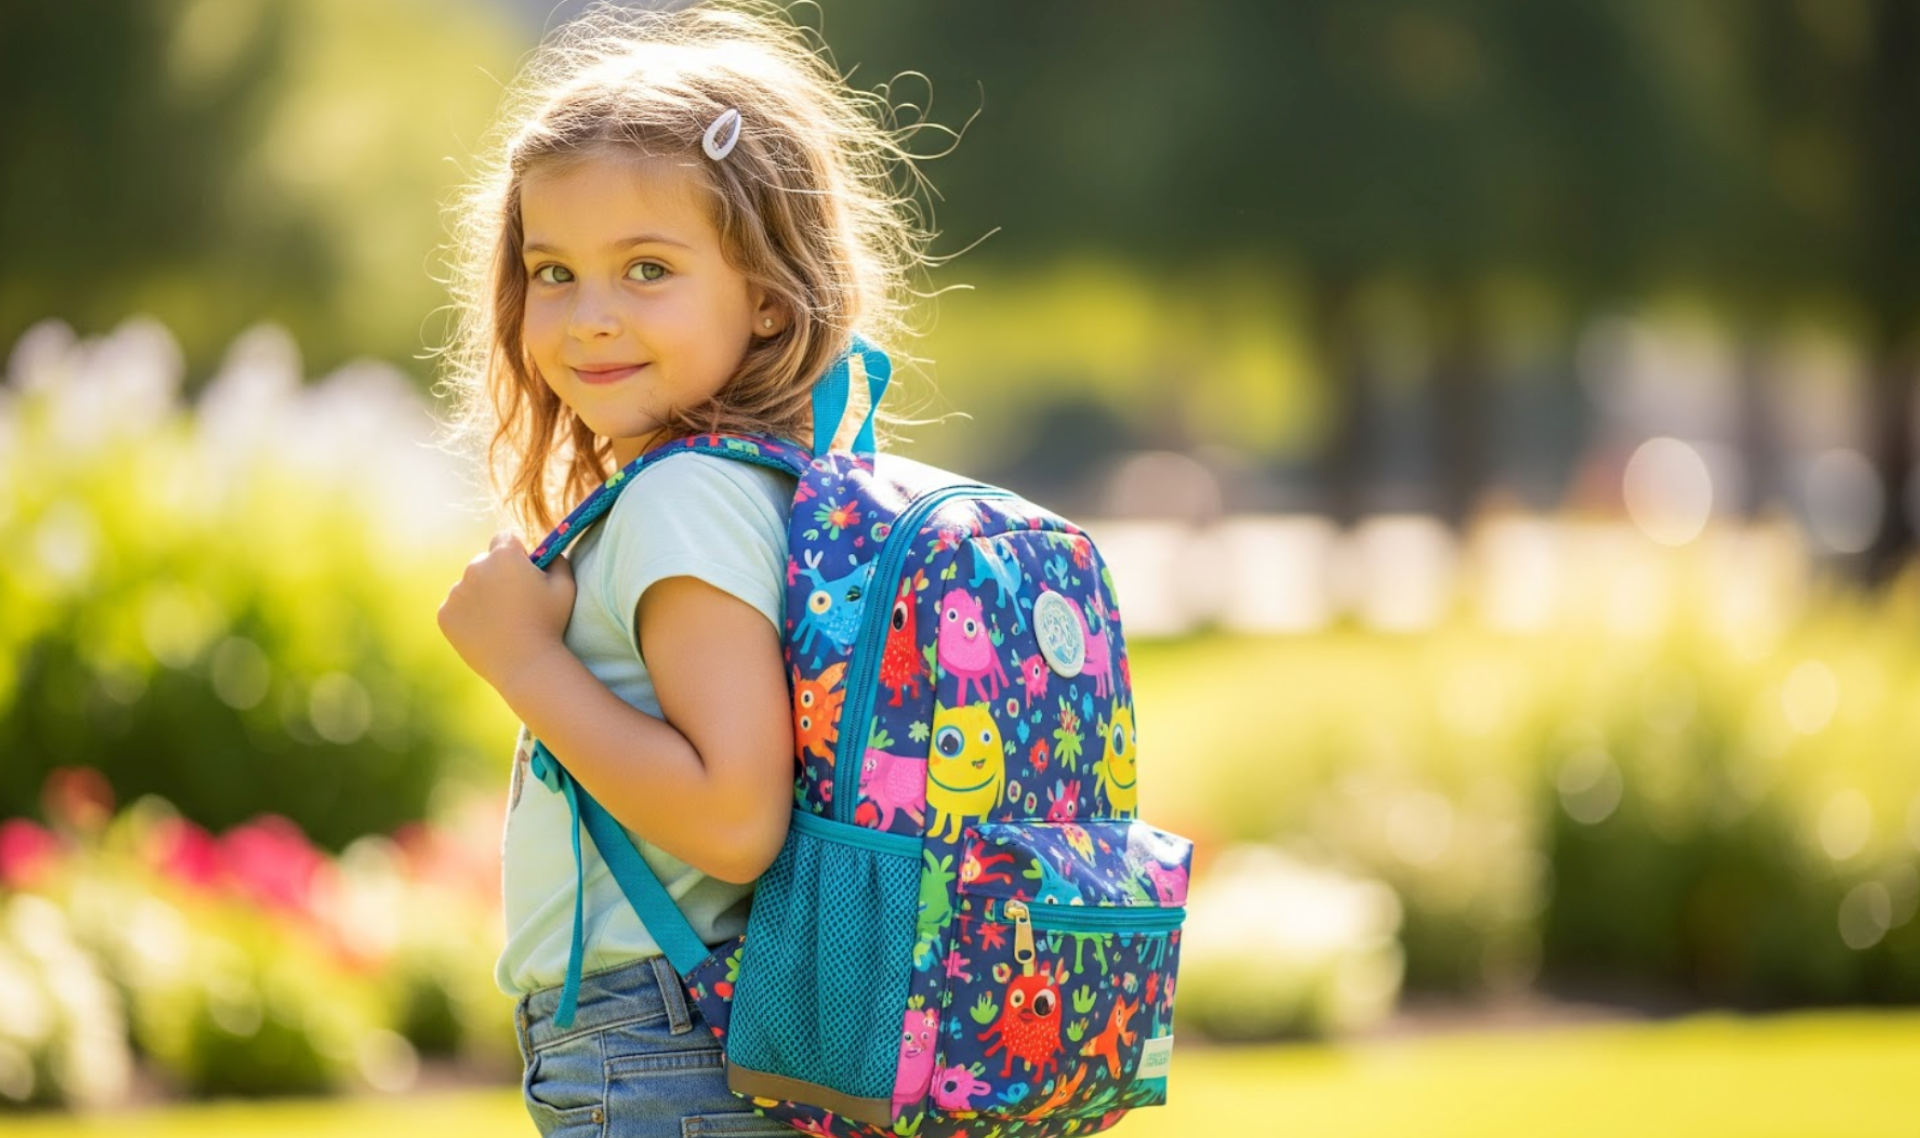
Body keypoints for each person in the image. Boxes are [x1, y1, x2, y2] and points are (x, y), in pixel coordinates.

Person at [433, 3, 936, 1133]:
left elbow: (732, 814)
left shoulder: (682, 498)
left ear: (767, 297)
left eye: (646, 268)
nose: (589, 318)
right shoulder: (746, 484)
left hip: (661, 1050)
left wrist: (519, 659)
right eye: (552, 271)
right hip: (676, 1039)